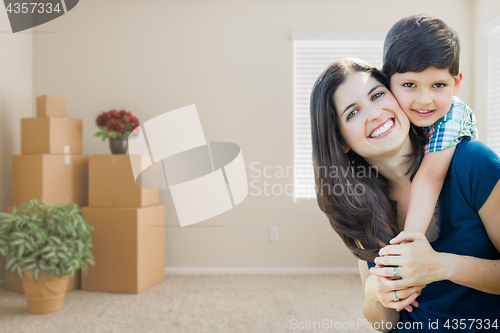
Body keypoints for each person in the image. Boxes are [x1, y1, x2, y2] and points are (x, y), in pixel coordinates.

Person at [310, 58, 500, 332]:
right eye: (352, 113)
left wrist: (442, 266)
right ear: (340, 141)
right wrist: (374, 294)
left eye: (377, 95)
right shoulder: (358, 202)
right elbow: (384, 323)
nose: (375, 114)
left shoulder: (473, 162)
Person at [383, 14, 478, 239]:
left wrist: (409, 241)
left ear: (456, 84)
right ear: (387, 81)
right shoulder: (391, 113)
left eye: (438, 85)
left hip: (460, 212)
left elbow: (430, 177)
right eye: (409, 84)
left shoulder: (453, 115)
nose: (425, 99)